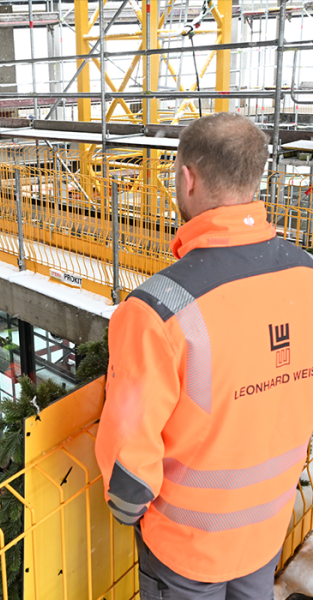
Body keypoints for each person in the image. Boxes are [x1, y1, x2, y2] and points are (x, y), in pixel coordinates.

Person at [94, 112, 313, 599]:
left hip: (185, 550)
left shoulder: (157, 309)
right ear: (256, 177)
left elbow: (130, 465)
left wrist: (132, 513)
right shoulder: (307, 276)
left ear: (187, 179)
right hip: (267, 526)